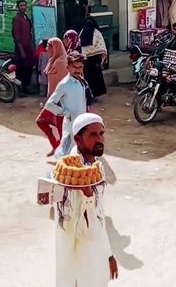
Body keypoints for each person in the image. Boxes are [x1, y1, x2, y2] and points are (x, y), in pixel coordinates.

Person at [55, 112, 118, 287]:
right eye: (93, 134)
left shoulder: (94, 165)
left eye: (101, 133)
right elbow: (72, 224)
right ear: (78, 139)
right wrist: (87, 195)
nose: (100, 139)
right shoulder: (70, 173)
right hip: (77, 249)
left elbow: (99, 215)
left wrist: (108, 254)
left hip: (94, 245)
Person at [44, 51, 93, 157]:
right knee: (67, 153)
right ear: (68, 67)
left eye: (80, 67)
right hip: (70, 125)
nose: (78, 70)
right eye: (74, 67)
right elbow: (49, 104)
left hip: (82, 123)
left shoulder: (81, 80)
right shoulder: (64, 84)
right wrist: (65, 113)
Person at [36, 38, 68, 157]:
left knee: (61, 129)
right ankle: (56, 145)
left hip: (60, 101)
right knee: (41, 121)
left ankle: (62, 153)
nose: (46, 49)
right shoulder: (53, 60)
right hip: (52, 100)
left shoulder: (60, 63)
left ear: (56, 47)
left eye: (49, 46)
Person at [80, 16, 107, 98]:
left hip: (87, 60)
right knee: (96, 77)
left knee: (88, 78)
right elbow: (102, 47)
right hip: (95, 60)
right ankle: (95, 94)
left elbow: (80, 45)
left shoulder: (83, 32)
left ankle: (89, 95)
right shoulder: (97, 33)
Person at [12, 0, 35, 95]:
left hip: (28, 47)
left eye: (24, 5)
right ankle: (19, 89)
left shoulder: (26, 17)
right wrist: (21, 50)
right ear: (18, 7)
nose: (23, 7)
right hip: (21, 48)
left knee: (28, 68)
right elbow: (16, 36)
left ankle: (25, 87)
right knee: (20, 69)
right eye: (21, 6)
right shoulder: (17, 19)